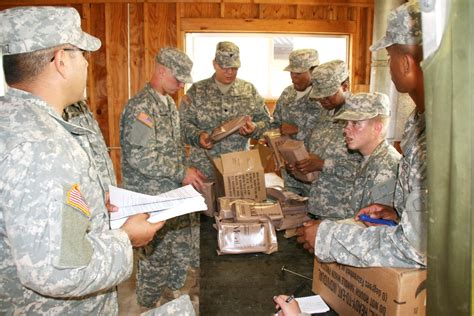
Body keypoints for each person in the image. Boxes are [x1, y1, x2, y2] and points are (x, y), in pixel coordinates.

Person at [0, 6, 163, 314]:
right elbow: (63, 270)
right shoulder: (44, 146)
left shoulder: (13, 121)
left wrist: (89, 205)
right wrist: (126, 238)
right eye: (82, 54)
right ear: (62, 60)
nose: (88, 64)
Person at [297, 1, 427, 268]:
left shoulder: (443, 134)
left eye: (389, 57)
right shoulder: (421, 121)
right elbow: (429, 223)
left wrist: (329, 237)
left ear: (405, 63)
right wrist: (398, 214)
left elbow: (417, 250)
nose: (388, 67)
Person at [120, 47, 206, 309]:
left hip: (171, 196)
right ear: (161, 70)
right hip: (150, 196)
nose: (181, 84)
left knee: (176, 252)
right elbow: (139, 156)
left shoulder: (168, 102)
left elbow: (174, 148)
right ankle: (147, 305)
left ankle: (170, 298)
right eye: (177, 78)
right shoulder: (142, 108)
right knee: (155, 257)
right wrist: (181, 172)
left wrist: (186, 171)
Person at [180, 41, 272, 178]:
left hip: (238, 169)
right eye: (225, 67)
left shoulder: (249, 90)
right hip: (203, 168)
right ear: (215, 64)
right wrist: (198, 136)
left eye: (234, 68)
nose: (230, 72)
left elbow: (266, 121)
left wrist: (254, 129)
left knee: (238, 201)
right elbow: (182, 124)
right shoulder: (197, 90)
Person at [289, 60, 362, 219]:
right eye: (319, 95)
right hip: (317, 205)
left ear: (345, 86)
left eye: (328, 94)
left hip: (343, 211)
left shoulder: (360, 117)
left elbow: (366, 168)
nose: (323, 100)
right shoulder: (325, 113)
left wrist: (323, 164)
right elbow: (314, 151)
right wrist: (300, 164)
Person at [271, 48, 322, 196]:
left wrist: (298, 130)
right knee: (292, 209)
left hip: (314, 171)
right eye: (291, 73)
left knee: (314, 213)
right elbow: (276, 121)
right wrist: (273, 135)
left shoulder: (323, 96)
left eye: (299, 73)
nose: (293, 78)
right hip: (290, 170)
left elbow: (332, 130)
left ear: (313, 71)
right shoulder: (288, 93)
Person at [63, 100, 117, 197]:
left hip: (106, 197)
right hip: (87, 201)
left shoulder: (81, 105)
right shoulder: (56, 108)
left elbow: (98, 153)